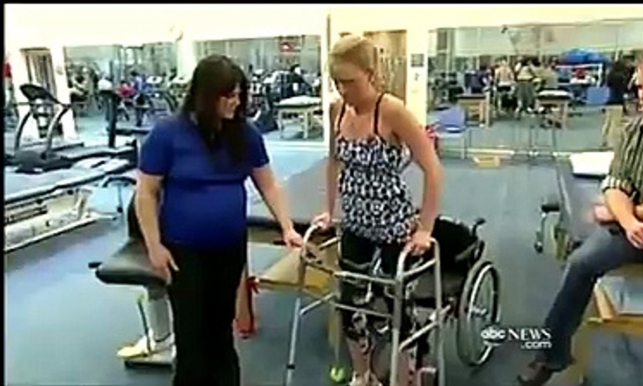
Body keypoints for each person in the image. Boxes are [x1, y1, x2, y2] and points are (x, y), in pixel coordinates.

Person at [517, 48, 643, 386]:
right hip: (634, 228)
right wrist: (631, 223)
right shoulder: (635, 132)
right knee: (581, 264)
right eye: (639, 87)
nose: (641, 94)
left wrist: (626, 214)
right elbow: (616, 184)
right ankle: (551, 355)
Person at [135, 54, 303, 386]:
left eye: (239, 95)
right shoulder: (168, 134)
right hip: (184, 251)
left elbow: (267, 182)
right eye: (228, 96)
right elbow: (146, 193)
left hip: (228, 247)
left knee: (220, 332)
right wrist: (154, 246)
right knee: (192, 335)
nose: (235, 102)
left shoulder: (244, 133)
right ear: (206, 95)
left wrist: (286, 226)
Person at [312, 35, 443, 386]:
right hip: (355, 224)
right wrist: (328, 210)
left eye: (350, 82)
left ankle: (405, 377)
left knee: (397, 309)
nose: (343, 90)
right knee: (349, 306)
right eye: (336, 82)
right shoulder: (337, 110)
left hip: (393, 227)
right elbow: (334, 162)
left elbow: (432, 168)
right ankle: (362, 375)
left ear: (371, 74)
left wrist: (425, 228)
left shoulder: (392, 111)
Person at [602, 60, 631, 149]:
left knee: (607, 123)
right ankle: (612, 143)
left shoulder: (610, 76)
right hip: (618, 102)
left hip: (609, 102)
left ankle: (605, 140)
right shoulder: (621, 77)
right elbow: (625, 89)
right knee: (615, 124)